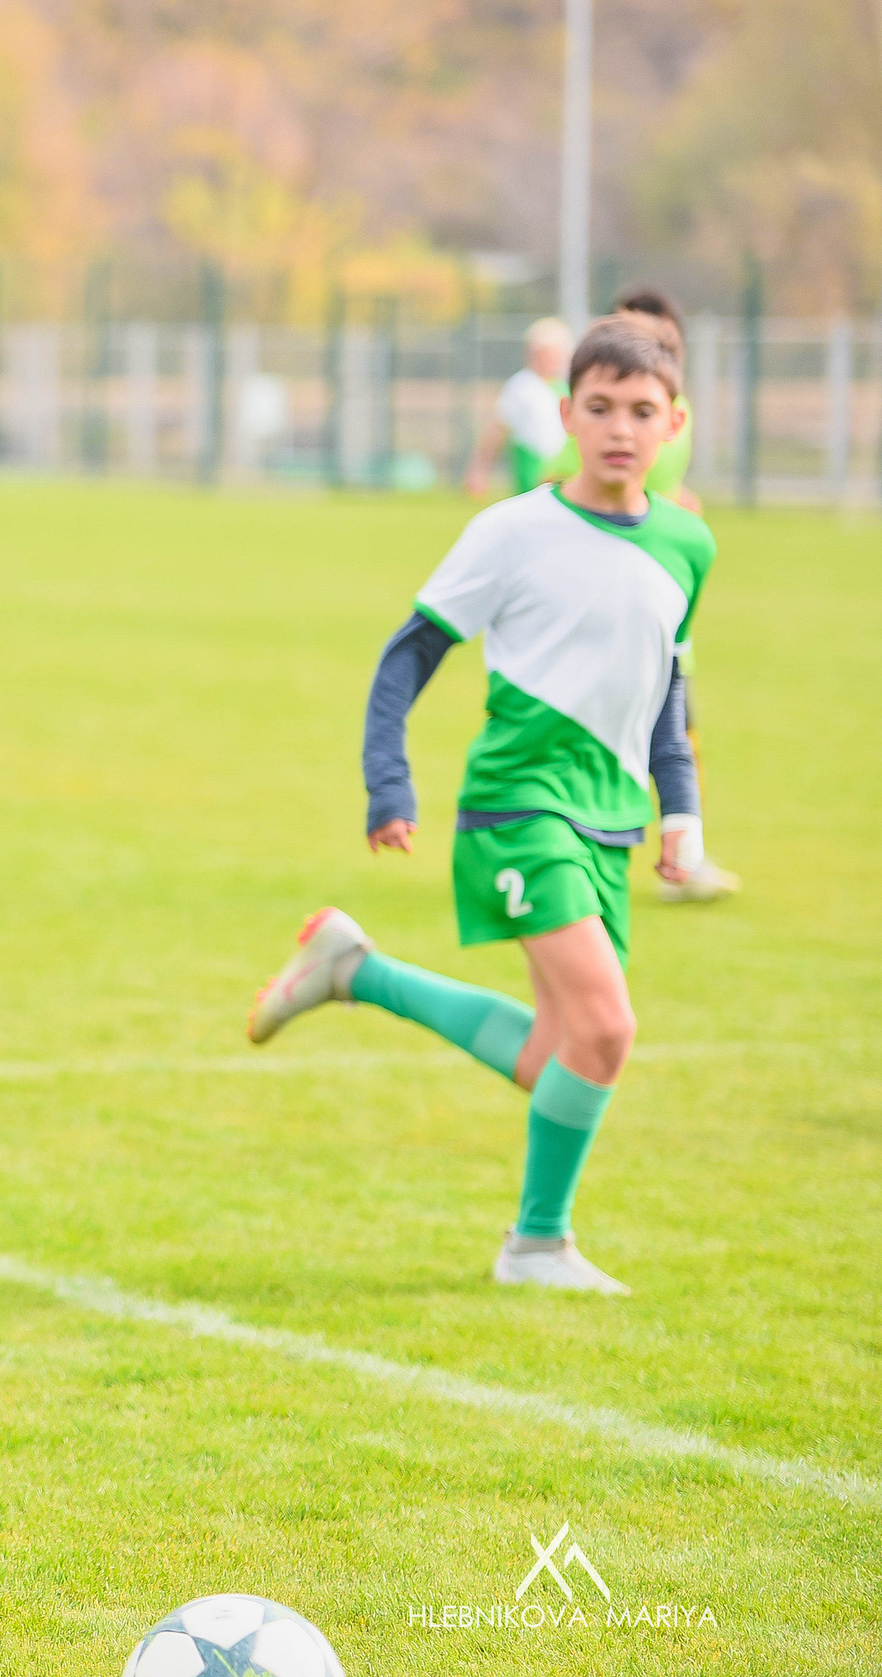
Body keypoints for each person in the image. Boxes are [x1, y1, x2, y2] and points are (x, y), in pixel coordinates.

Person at [249, 317, 711, 1297]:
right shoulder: (512, 529)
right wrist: (389, 781)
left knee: (562, 1051)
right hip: (517, 807)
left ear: (674, 422)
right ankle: (536, 1243)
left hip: (609, 819)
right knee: (609, 1029)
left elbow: (667, 696)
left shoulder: (686, 544)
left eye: (640, 411)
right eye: (599, 408)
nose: (619, 429)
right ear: (563, 415)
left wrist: (682, 813)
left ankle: (355, 970)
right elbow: (408, 651)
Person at [557, 288, 738, 903]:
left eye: (662, 345)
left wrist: (673, 507)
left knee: (675, 725)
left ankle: (683, 848)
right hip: (596, 608)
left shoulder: (670, 417)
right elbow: (554, 481)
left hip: (655, 602)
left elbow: (659, 483)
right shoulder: (605, 416)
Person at [465, 317, 573, 498]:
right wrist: (479, 470)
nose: (550, 359)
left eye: (555, 353)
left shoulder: (568, 386)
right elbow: (497, 429)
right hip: (531, 471)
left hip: (565, 473)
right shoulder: (521, 386)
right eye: (544, 353)